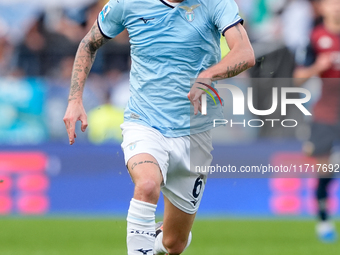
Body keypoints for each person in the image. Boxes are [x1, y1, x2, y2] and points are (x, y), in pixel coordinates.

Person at [63, 0, 254, 254]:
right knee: (147, 185)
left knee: (174, 243)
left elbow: (245, 53)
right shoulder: (128, 3)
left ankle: (156, 238)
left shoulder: (215, 2)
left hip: (193, 133)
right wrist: (75, 99)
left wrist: (208, 74)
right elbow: (88, 43)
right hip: (144, 123)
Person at [294, 0, 340, 243]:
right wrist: (317, 67)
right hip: (325, 115)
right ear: (321, 8)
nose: (336, 7)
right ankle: (323, 220)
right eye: (330, 2)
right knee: (325, 172)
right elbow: (296, 78)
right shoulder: (315, 37)